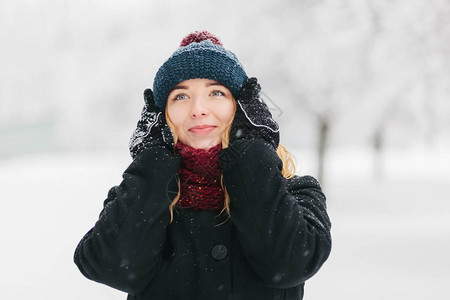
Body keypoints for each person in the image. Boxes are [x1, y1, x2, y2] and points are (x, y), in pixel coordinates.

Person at [74, 31, 331, 300]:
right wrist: (153, 158)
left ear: (242, 108)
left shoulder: (298, 193)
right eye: (181, 97)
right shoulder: (139, 192)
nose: (198, 109)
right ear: (162, 116)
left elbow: (288, 265)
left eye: (216, 93)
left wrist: (251, 146)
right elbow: (112, 268)